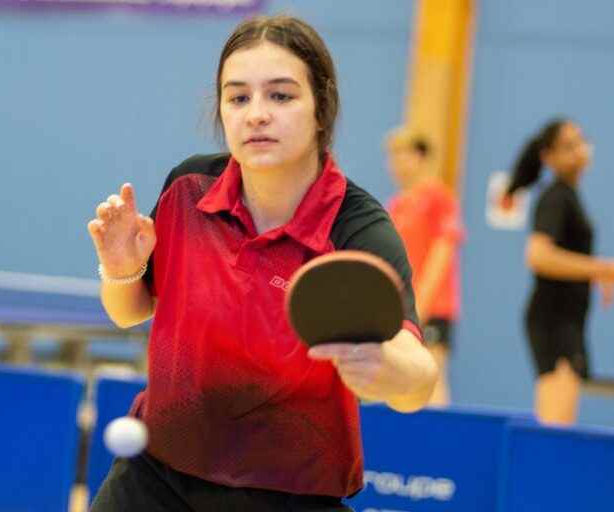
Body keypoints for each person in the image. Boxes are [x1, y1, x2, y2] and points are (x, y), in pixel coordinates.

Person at [86, 15, 438, 512]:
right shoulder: (188, 189)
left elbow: (419, 382)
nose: (256, 114)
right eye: (238, 97)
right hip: (157, 473)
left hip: (286, 492)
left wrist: (384, 366)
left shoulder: (356, 229)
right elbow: (130, 310)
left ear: (320, 109)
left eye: (281, 95)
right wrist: (121, 267)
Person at [504, 118, 614, 425]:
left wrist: (596, 275)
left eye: (580, 141)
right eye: (568, 146)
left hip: (569, 319)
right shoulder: (555, 197)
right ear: (549, 157)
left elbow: (569, 256)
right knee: (554, 426)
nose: (579, 150)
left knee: (562, 421)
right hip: (553, 320)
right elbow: (538, 256)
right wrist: (604, 268)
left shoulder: (570, 196)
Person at [386, 130, 464, 406]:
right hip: (403, 309)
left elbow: (443, 251)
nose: (394, 163)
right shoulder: (396, 205)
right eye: (391, 156)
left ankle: (441, 446)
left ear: (420, 157)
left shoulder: (438, 197)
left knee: (432, 378)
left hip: (432, 308)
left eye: (402, 154)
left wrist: (420, 307)